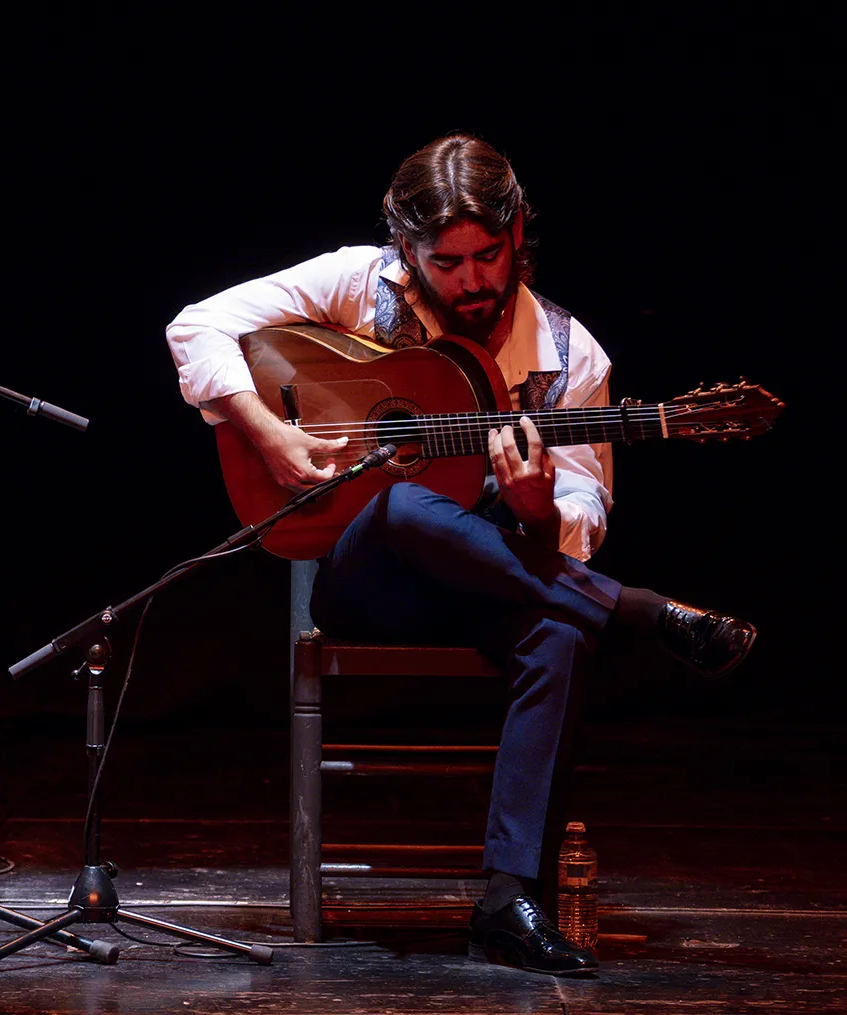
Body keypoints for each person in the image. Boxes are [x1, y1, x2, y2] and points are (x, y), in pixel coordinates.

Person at [164, 134, 755, 976]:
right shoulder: (357, 282)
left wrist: (537, 506)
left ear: (517, 236)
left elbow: (584, 511)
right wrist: (267, 430)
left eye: (489, 255)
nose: (473, 280)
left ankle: (508, 900)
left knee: (561, 634)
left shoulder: (568, 355)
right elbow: (196, 325)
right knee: (405, 503)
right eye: (448, 262)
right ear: (408, 250)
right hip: (368, 582)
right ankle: (638, 609)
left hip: (498, 583)